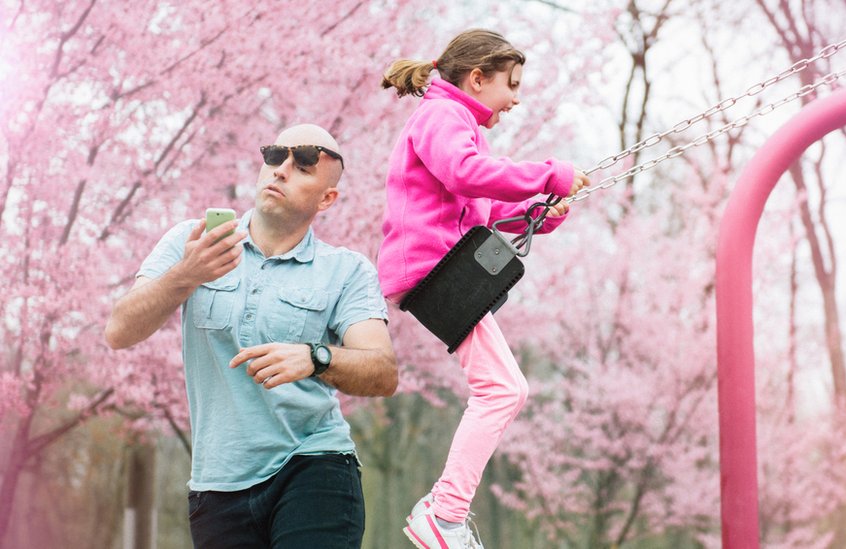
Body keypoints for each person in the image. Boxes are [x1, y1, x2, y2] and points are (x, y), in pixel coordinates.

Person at [104, 123, 397, 549]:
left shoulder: (347, 270)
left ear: (327, 198)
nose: (281, 171)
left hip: (314, 464)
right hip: (217, 483)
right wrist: (187, 274)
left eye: (303, 166)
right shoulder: (194, 242)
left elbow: (383, 371)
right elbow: (119, 331)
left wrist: (316, 357)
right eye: (275, 157)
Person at [378, 29, 590, 549]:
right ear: (477, 79)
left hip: (444, 266)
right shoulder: (441, 116)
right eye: (510, 85)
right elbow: (466, 173)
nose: (516, 99)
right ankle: (444, 513)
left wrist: (538, 213)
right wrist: (548, 175)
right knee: (504, 389)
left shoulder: (459, 123)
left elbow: (486, 207)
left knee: (504, 388)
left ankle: (445, 511)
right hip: (433, 267)